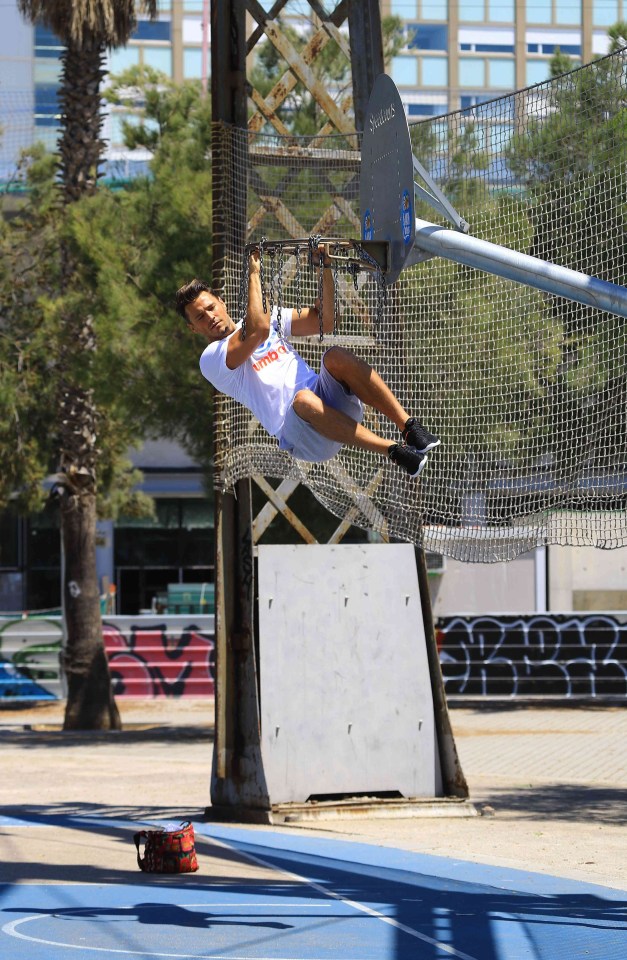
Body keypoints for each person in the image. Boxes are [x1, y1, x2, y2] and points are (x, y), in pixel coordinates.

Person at [175, 246, 440, 477]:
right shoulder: (211, 358)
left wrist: (324, 267)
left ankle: (409, 427)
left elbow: (326, 320)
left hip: (329, 404)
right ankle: (392, 451)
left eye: (210, 307)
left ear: (221, 302)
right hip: (303, 437)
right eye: (199, 317)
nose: (209, 316)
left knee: (334, 356)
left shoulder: (267, 318)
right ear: (194, 329)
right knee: (302, 399)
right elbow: (257, 331)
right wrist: (254, 273)